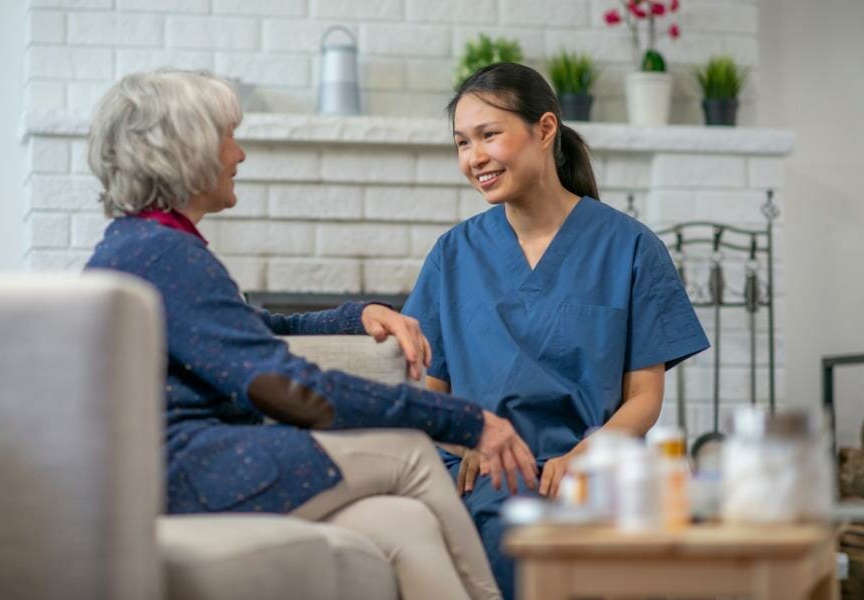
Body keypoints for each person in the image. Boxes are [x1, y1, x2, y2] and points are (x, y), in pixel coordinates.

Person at [84, 69, 539, 600]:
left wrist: (356, 315)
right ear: (188, 148)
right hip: (192, 474)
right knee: (413, 453)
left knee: (401, 525)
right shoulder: (165, 254)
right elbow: (289, 387)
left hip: (181, 471)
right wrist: (468, 421)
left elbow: (262, 330)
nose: (239, 155)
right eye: (228, 137)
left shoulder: (142, 244)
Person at [402, 62, 710, 598]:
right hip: (491, 472)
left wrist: (581, 459)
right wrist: (466, 437)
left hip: (594, 463)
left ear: (545, 130)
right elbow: (432, 392)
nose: (474, 158)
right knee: (510, 529)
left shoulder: (632, 248)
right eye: (461, 143)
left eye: (489, 135)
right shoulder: (453, 254)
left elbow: (644, 398)